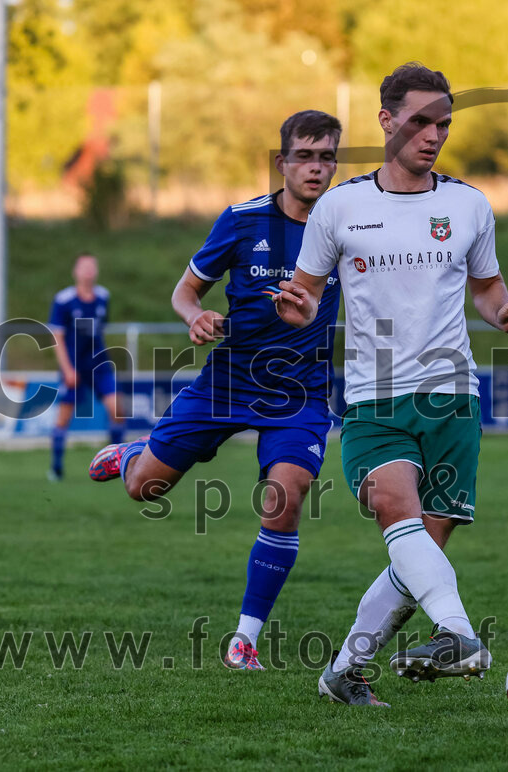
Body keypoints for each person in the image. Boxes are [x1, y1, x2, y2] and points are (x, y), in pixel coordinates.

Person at [275, 63, 508, 706]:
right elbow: (308, 292)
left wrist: (504, 313)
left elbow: (486, 288)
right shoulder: (340, 207)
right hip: (376, 399)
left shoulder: (468, 204)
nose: (433, 135)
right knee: (397, 511)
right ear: (386, 120)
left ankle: (344, 672)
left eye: (443, 123)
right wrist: (299, 309)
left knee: (421, 547)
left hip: (453, 396)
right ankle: (459, 634)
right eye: (421, 121)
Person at [88, 110, 343, 672]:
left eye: (328, 156)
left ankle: (244, 640)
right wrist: (194, 316)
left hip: (300, 393)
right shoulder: (241, 220)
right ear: (282, 162)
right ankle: (134, 453)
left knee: (287, 495)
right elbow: (186, 291)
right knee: (143, 490)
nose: (317, 168)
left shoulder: (347, 225)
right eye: (306, 155)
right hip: (225, 382)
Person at [47, 253, 126, 481]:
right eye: (84, 267)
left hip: (98, 363)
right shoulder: (63, 300)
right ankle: (56, 468)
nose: (89, 271)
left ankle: (115, 464)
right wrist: (68, 369)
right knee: (63, 417)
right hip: (72, 365)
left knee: (117, 410)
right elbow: (57, 337)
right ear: (76, 271)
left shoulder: (103, 297)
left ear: (97, 271)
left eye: (92, 266)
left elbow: (100, 330)